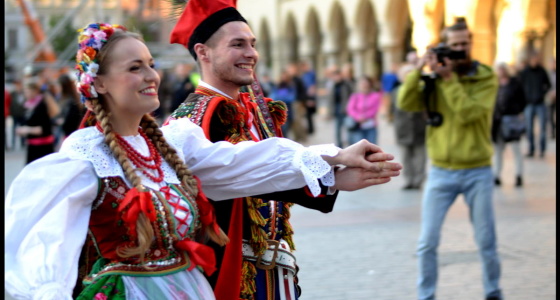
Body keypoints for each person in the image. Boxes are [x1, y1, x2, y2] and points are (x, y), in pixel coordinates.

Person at [5, 23, 401, 300]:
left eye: (151, 64)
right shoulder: (82, 159)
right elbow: (44, 253)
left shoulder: (171, 144)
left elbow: (240, 163)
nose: (150, 76)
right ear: (100, 83)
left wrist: (332, 161)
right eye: (134, 67)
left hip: (186, 289)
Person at [166, 2, 400, 299]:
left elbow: (267, 176)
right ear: (203, 52)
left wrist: (334, 177)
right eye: (237, 44)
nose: (251, 53)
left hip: (274, 271)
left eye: (252, 44)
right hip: (232, 273)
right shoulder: (195, 117)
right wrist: (332, 157)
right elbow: (234, 174)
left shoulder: (254, 108)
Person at [397, 17, 503, 300]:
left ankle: (493, 291)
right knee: (427, 243)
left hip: (477, 170)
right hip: (441, 172)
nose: (460, 50)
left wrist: (449, 80)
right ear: (445, 47)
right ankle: (426, 296)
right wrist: (418, 72)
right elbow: (405, 103)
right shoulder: (434, 79)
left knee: (486, 241)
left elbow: (470, 114)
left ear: (471, 44)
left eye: (464, 44)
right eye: (454, 45)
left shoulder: (486, 76)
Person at [394, 52, 427, 190]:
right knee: (406, 157)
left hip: (419, 127)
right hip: (403, 127)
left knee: (420, 156)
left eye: (410, 74)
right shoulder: (396, 91)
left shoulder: (421, 89)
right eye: (405, 74)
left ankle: (419, 179)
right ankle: (409, 179)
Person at [492, 63, 526, 187]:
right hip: (498, 122)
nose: (501, 72)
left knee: (516, 148)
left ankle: (518, 175)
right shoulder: (494, 84)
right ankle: (497, 175)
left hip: (512, 120)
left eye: (502, 69)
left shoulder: (515, 83)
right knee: (498, 150)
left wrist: (518, 112)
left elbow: (523, 99)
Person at [518, 51, 551, 158]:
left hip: (540, 103)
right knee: (529, 128)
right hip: (529, 104)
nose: (535, 60)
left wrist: (543, 93)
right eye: (533, 58)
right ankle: (531, 149)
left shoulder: (542, 71)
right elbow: (520, 86)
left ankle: (542, 150)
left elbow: (548, 85)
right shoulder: (525, 72)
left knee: (542, 128)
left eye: (536, 58)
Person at [15, 79, 56, 164]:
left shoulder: (41, 105)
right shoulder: (29, 104)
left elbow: (43, 129)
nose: (26, 94)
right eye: (25, 92)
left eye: (28, 91)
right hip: (32, 146)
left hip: (42, 148)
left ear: (35, 91)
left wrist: (26, 129)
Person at [345, 75, 382, 145]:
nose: (364, 86)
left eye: (365, 84)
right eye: (362, 84)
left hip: (370, 125)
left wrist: (365, 117)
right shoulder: (355, 96)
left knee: (371, 146)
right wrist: (358, 117)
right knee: (359, 146)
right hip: (357, 126)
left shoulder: (375, 96)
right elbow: (350, 109)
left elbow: (375, 109)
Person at [328, 68, 354, 147]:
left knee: (348, 128)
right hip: (336, 109)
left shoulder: (346, 84)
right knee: (337, 129)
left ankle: (351, 145)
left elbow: (352, 96)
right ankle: (339, 146)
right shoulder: (333, 85)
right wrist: (330, 112)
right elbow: (330, 99)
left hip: (346, 109)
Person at [59, 73, 86, 139]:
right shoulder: (70, 99)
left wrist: (61, 121)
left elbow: (69, 121)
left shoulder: (70, 102)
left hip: (71, 134)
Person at [300, 60, 317, 134]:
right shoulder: (304, 75)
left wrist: (311, 97)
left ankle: (311, 129)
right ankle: (309, 128)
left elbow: (312, 86)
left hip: (310, 95)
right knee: (307, 114)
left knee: (310, 113)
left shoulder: (311, 74)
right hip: (305, 95)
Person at [546, 57, 556, 139]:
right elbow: (545, 86)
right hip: (550, 97)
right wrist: (550, 92)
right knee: (550, 116)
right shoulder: (547, 74)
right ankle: (552, 132)